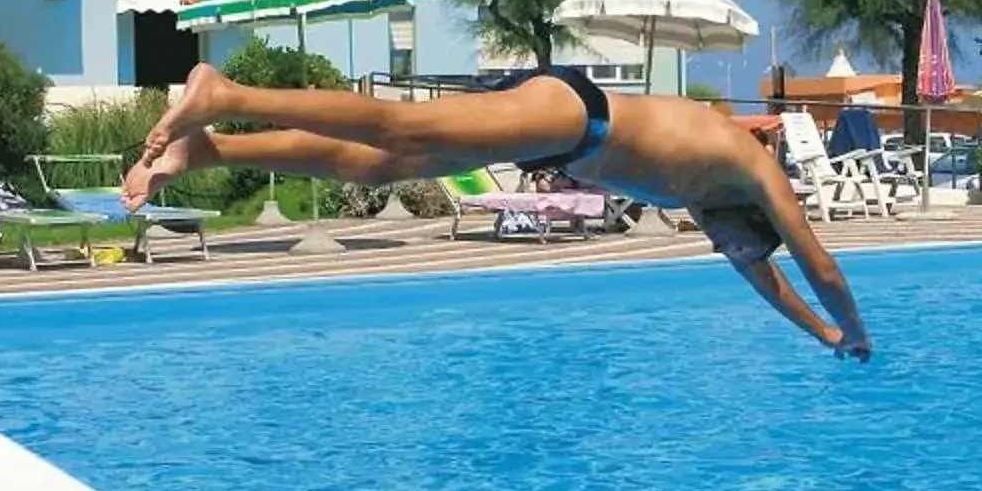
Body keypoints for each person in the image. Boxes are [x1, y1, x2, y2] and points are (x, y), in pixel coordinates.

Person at [130, 63, 872, 357]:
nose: (722, 250)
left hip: (558, 139)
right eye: (731, 245)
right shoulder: (751, 171)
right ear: (748, 222)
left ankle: (214, 149)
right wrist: (857, 328)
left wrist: (825, 337)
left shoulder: (716, 208)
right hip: (576, 114)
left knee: (383, 164)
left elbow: (769, 282)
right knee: (402, 128)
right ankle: (226, 95)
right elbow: (820, 266)